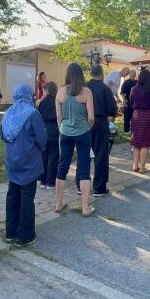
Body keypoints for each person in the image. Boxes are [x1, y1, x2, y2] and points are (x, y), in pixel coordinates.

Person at [1, 83, 46, 246]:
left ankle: (10, 232)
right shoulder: (32, 113)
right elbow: (42, 138)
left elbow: (3, 136)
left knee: (12, 195)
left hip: (12, 161)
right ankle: (25, 236)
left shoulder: (7, 113)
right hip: (29, 162)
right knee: (27, 197)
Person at [54, 63, 95, 217]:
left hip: (65, 133)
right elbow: (91, 117)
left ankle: (58, 203)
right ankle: (85, 208)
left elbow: (58, 116)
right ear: (81, 75)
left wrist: (61, 128)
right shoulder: (87, 92)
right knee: (84, 169)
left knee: (62, 167)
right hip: (83, 132)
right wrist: (87, 127)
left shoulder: (60, 92)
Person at [85, 64, 117, 197]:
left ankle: (81, 186)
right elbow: (112, 109)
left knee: (84, 154)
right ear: (102, 74)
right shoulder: (105, 88)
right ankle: (99, 188)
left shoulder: (84, 87)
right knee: (101, 155)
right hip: (100, 122)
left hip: (84, 122)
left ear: (91, 73)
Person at [130, 69, 150, 173]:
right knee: (145, 143)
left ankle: (135, 165)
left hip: (137, 115)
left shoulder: (133, 89)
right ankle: (142, 167)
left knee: (136, 143)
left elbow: (131, 102)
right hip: (149, 115)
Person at [37, 82, 59, 189]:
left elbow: (38, 117)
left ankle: (43, 181)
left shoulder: (42, 102)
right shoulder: (57, 101)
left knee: (44, 156)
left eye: (44, 91)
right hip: (54, 129)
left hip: (44, 130)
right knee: (53, 156)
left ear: (47, 90)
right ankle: (51, 182)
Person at [120, 69, 137, 133]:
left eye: (134, 74)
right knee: (127, 116)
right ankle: (126, 130)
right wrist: (124, 102)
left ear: (135, 75)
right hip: (127, 101)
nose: (133, 75)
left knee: (135, 116)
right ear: (129, 75)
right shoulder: (126, 82)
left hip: (135, 101)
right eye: (131, 74)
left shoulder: (137, 82)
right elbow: (122, 93)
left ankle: (134, 129)